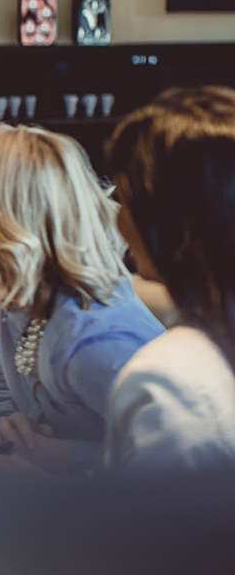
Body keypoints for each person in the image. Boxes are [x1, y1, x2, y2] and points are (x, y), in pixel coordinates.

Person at [0, 124, 163, 483]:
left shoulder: (93, 344)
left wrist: (61, 456)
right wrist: (6, 423)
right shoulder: (27, 300)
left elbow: (177, 465)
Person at [103, 86, 235, 472]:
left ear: (163, 218)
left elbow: (143, 532)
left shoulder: (168, 385)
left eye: (123, 199)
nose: (118, 220)